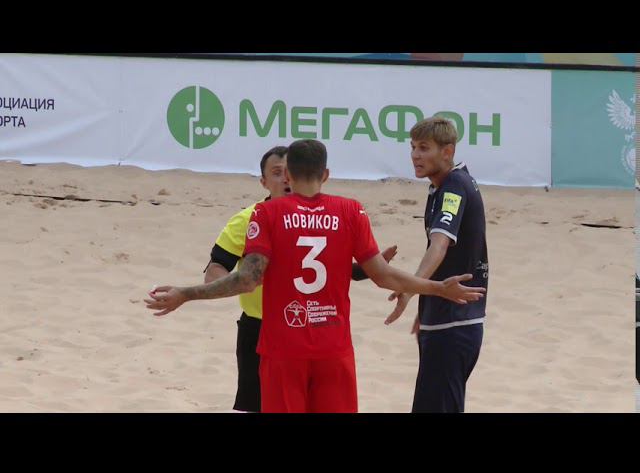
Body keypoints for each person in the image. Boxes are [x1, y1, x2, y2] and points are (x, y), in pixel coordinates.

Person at [145, 139, 485, 413]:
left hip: (283, 348)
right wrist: (436, 287)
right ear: (326, 174)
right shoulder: (351, 211)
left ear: (288, 175)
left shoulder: (265, 213)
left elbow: (247, 279)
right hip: (332, 348)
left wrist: (186, 293)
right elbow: (383, 276)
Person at [204, 146, 398, 412]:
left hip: (310, 329)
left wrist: (368, 269)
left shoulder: (319, 217)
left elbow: (326, 269)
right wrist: (242, 281)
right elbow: (215, 270)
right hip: (259, 329)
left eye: (288, 171)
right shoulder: (248, 219)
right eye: (276, 173)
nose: (285, 178)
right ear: (263, 182)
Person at [385, 117, 488, 413]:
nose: (415, 155)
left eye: (424, 148)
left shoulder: (454, 186)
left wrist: (410, 290)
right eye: (413, 147)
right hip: (447, 318)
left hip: (453, 323)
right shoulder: (444, 186)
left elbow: (439, 246)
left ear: (447, 151)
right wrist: (426, 306)